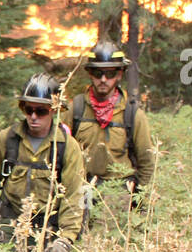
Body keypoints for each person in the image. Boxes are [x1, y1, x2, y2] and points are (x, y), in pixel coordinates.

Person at [0, 74, 85, 252]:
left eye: (41, 111)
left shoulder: (67, 147)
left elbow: (73, 198)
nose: (33, 117)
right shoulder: (7, 140)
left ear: (54, 111)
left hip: (48, 233)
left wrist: (65, 240)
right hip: (8, 231)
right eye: (29, 110)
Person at [62, 41, 155, 229]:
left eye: (110, 73)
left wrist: (140, 201)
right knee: (79, 236)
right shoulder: (76, 108)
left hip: (118, 189)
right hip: (83, 188)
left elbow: (146, 161)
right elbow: (59, 148)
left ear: (119, 74)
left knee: (107, 240)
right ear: (90, 74)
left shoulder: (132, 114)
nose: (103, 79)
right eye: (98, 73)